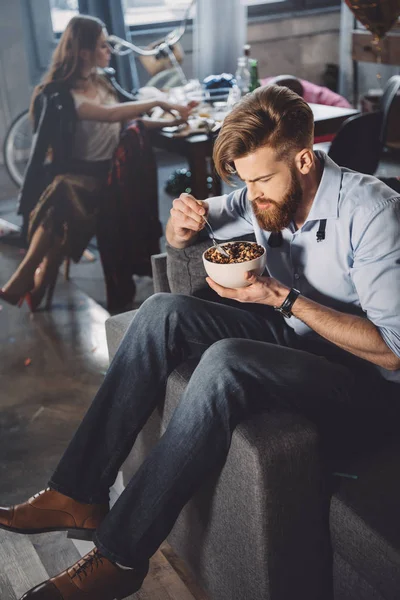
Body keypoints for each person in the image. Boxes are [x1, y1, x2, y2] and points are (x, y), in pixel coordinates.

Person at [1, 85, 400, 600]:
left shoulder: (372, 214)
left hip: (366, 385)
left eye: (260, 181)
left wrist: (280, 297)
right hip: (297, 340)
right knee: (161, 311)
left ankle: (120, 557)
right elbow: (195, 224)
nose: (252, 196)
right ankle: (78, 492)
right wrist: (179, 224)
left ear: (304, 160)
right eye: (245, 181)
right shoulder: (262, 191)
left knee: (227, 361)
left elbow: (393, 349)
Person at [0, 15, 195, 313]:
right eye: (103, 45)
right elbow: (109, 114)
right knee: (63, 195)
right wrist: (160, 103)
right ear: (83, 51)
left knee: (61, 201)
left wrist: (173, 118)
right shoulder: (62, 94)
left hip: (110, 174)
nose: (109, 51)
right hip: (80, 173)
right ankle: (34, 281)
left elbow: (132, 122)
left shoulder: (102, 80)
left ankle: (29, 278)